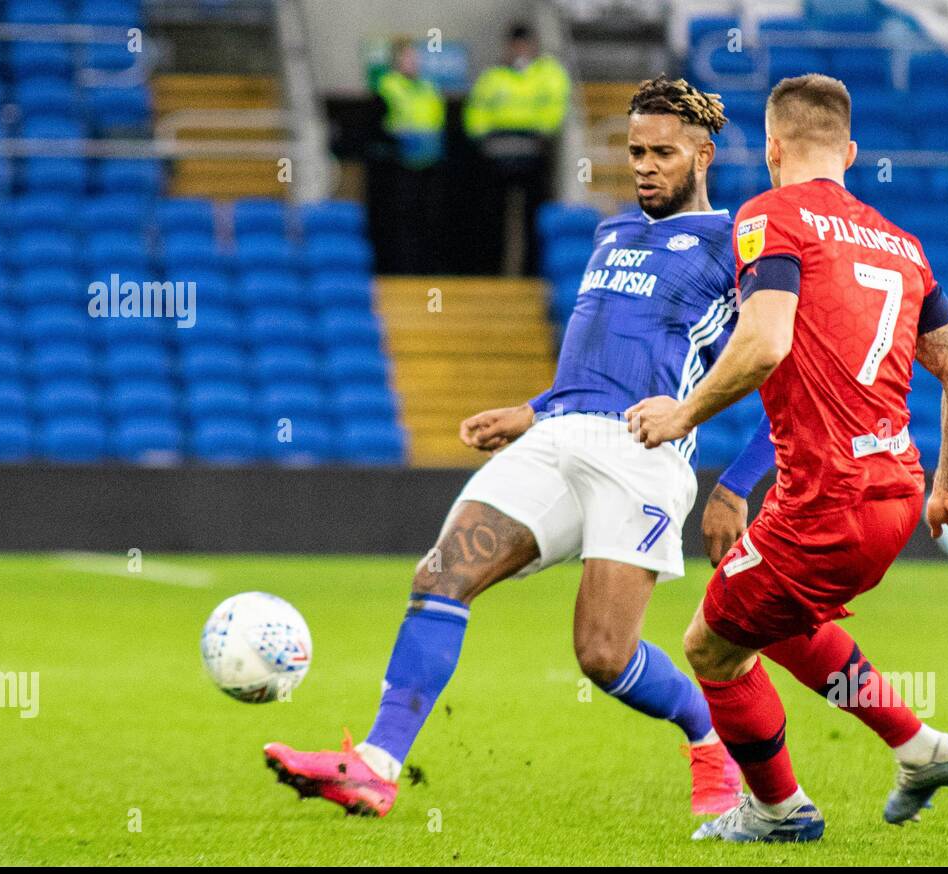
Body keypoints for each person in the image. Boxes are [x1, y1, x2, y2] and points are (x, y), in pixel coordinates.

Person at [265, 76, 754, 820]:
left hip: (642, 454)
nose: (645, 165)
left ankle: (708, 736)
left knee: (602, 654)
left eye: (662, 152)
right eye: (635, 152)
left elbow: (779, 357)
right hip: (555, 437)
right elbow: (600, 353)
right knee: (441, 574)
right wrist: (530, 412)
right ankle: (375, 764)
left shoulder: (737, 244)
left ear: (703, 154)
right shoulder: (611, 233)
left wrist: (731, 468)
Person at [626, 73, 948, 844]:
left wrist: (682, 412)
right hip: (894, 498)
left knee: (710, 647)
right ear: (850, 152)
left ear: (771, 147)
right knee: (772, 619)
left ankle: (777, 811)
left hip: (826, 500)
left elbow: (764, 341)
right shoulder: (902, 246)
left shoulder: (769, 215)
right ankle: (919, 748)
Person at [463, 23, 570, 275]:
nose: (520, 50)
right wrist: (487, 137)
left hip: (532, 158)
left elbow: (554, 110)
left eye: (525, 44)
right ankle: (491, 273)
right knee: (492, 219)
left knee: (534, 219)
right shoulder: (492, 78)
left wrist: (534, 131)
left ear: (533, 46)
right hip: (496, 159)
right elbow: (475, 114)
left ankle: (530, 274)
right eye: (515, 45)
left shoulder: (548, 75)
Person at [372, 38, 446, 273]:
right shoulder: (387, 86)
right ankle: (401, 269)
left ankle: (426, 269)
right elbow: (380, 124)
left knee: (429, 219)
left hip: (429, 163)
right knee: (403, 219)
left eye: (415, 57)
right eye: (407, 57)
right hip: (400, 164)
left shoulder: (429, 88)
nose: (413, 62)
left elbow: (436, 123)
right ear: (396, 61)